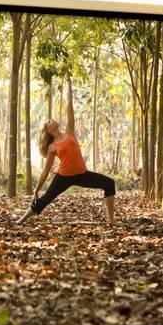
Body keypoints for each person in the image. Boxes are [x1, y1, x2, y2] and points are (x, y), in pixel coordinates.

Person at [16, 74, 116, 225]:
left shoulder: (69, 132)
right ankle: (23, 218)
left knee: (109, 183)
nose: (53, 120)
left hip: (82, 174)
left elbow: (69, 107)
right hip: (63, 177)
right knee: (46, 198)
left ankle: (111, 220)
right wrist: (36, 190)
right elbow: (45, 171)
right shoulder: (52, 147)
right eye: (49, 121)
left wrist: (69, 84)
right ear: (48, 130)